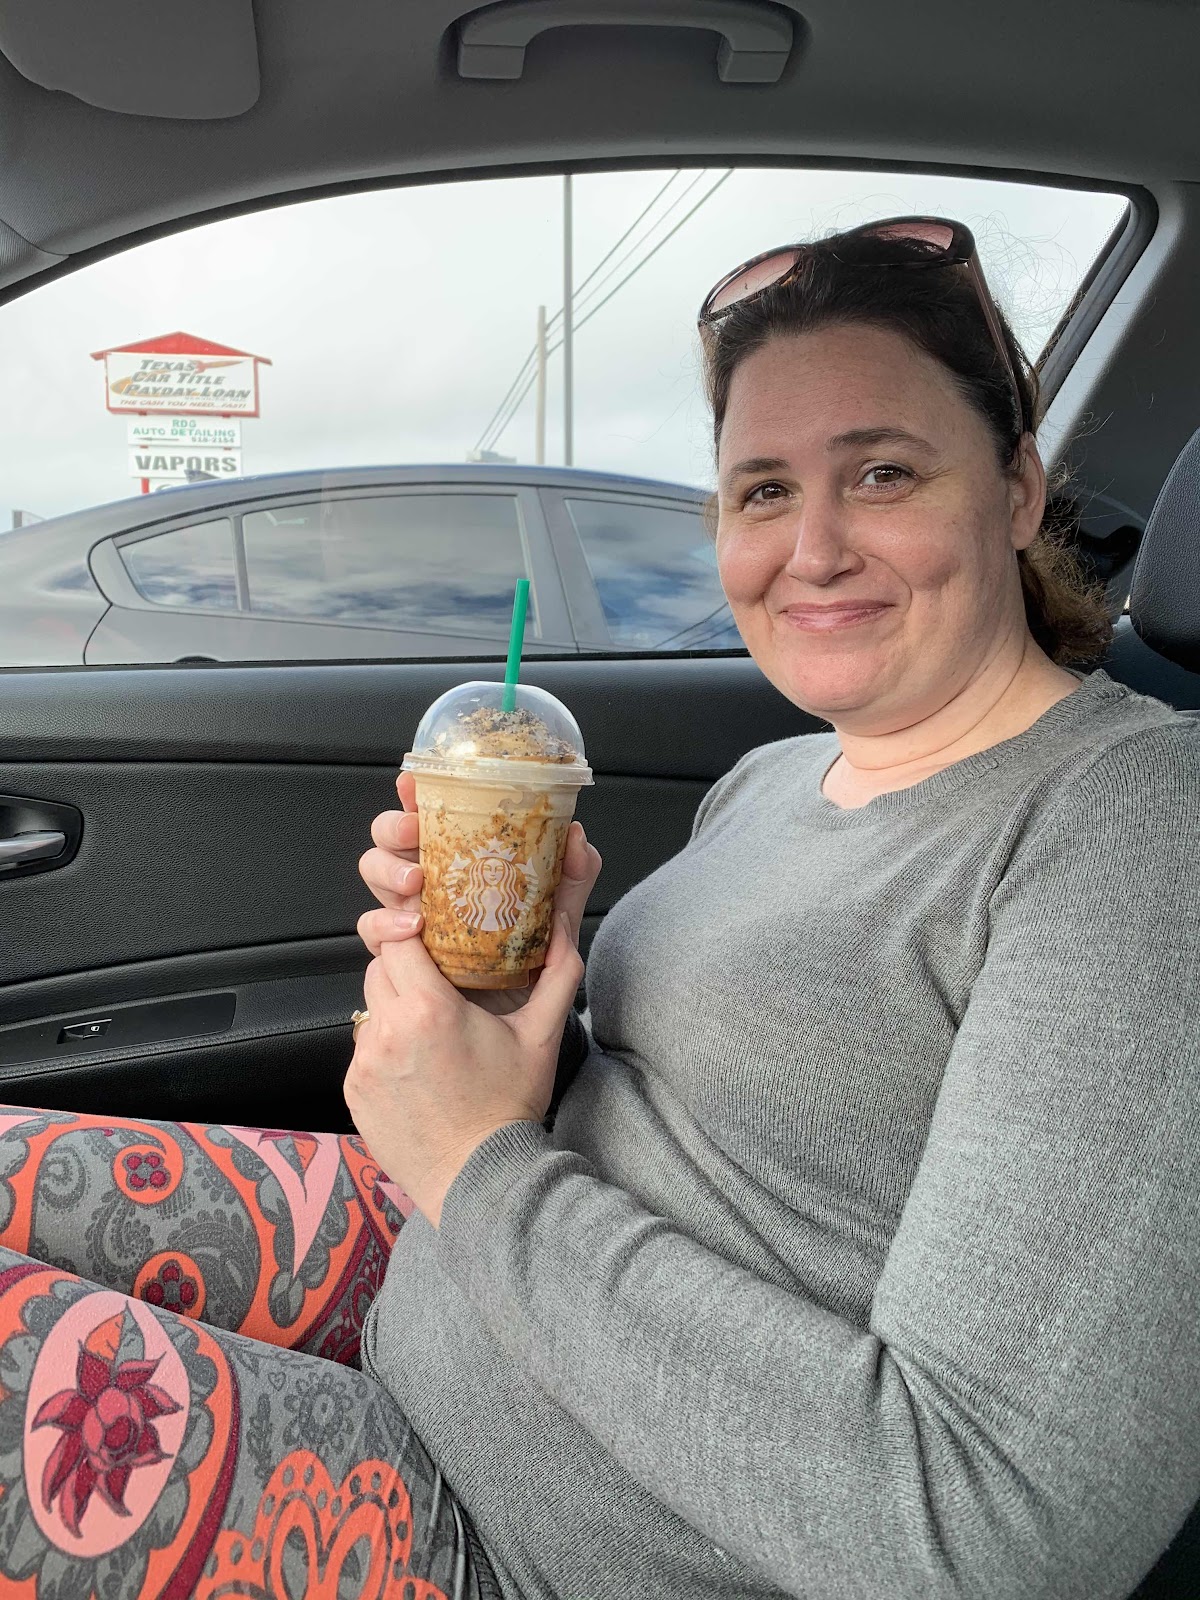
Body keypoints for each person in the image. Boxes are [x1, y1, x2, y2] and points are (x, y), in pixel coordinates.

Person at [0, 216, 1196, 1600]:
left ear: (1018, 489)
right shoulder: (774, 775)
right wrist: (508, 1002)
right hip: (439, 1270)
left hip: (517, 1543)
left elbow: (988, 1534)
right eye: (761, 490)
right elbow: (683, 1120)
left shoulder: (1136, 834)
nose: (812, 548)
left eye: (882, 472)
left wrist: (474, 1164)